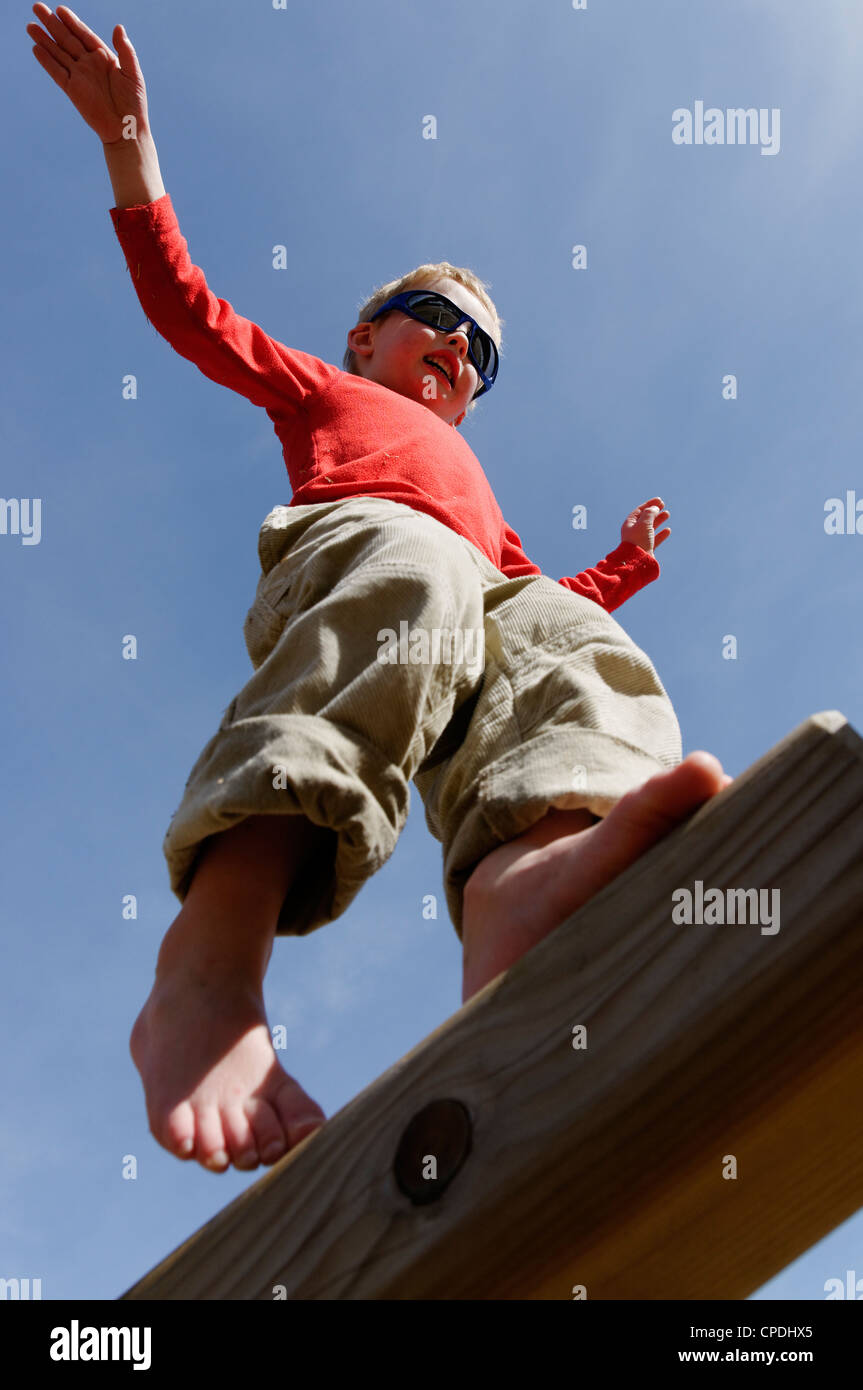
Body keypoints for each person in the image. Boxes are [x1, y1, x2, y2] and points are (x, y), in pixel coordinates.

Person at [27, 4, 733, 1175]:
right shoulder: (323, 393)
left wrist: (622, 567)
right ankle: (207, 965)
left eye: (482, 356)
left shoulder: (477, 484)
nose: (460, 349)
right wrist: (129, 154)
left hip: (478, 585)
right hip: (370, 547)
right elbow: (190, 311)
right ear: (365, 339)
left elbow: (529, 587)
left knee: (565, 641)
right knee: (412, 586)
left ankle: (524, 887)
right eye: (440, 322)